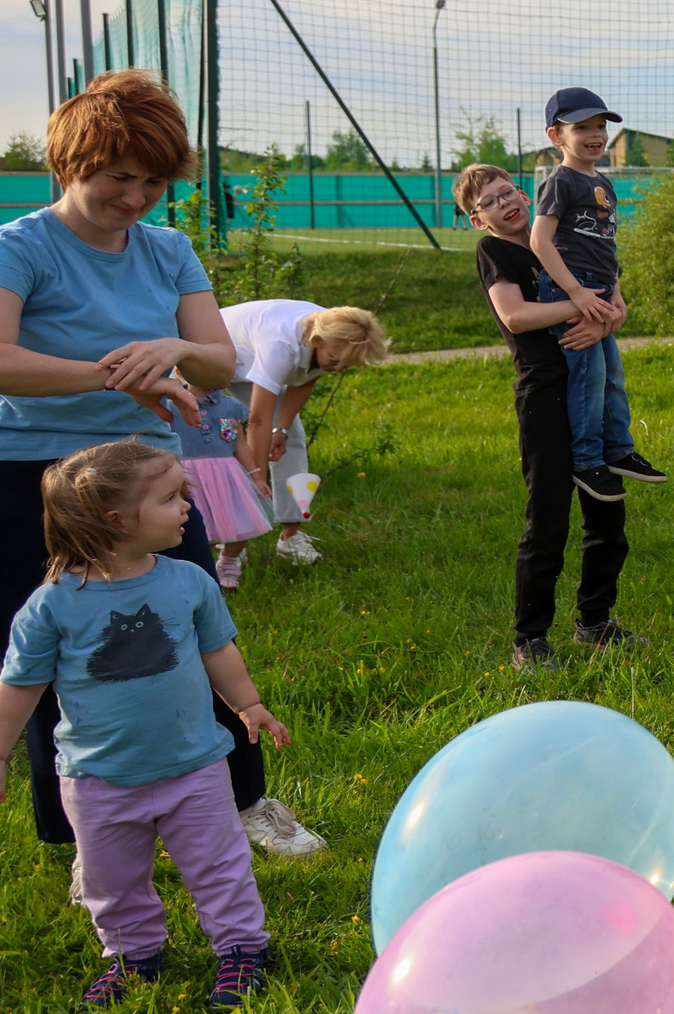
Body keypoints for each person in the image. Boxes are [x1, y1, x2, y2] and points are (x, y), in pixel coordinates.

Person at [0, 70, 316, 863]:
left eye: (152, 180)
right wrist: (115, 372)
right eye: (118, 176)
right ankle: (82, 835)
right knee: (51, 654)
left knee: (196, 632)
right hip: (37, 478)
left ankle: (244, 799)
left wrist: (175, 348)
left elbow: (214, 362)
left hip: (150, 476)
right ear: (72, 161)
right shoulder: (20, 246)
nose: (135, 196)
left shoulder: (169, 249)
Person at [0, 440, 290, 1013]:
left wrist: (248, 704)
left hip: (195, 766)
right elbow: (19, 689)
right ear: (117, 520)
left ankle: (241, 950)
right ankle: (134, 958)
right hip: (98, 779)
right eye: (170, 497)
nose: (188, 504)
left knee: (220, 866)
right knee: (113, 882)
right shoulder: (52, 606)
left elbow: (219, 651)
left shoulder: (187, 581)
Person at [457, 164, 640, 667]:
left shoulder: (556, 237)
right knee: (549, 520)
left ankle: (595, 621)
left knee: (608, 513)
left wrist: (605, 317)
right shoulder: (495, 251)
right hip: (546, 395)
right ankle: (529, 638)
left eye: (508, 191)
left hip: (593, 386)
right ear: (478, 221)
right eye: (489, 203)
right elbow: (515, 315)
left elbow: (611, 294)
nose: (506, 203)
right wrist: (582, 305)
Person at [528, 86, 663, 502]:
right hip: (572, 287)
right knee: (587, 379)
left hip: (600, 287)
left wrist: (615, 295)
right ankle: (586, 462)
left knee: (611, 379)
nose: (595, 135)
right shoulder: (560, 181)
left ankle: (619, 450)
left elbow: (607, 244)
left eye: (600, 126)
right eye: (582, 127)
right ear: (556, 136)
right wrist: (576, 293)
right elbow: (540, 242)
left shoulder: (603, 182)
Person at [215, 299, 391, 573]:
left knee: (293, 438)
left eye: (344, 366)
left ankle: (291, 535)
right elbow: (258, 421)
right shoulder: (281, 345)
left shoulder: (337, 340)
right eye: (335, 361)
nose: (337, 369)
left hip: (253, 362)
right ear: (317, 339)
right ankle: (232, 539)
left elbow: (306, 380)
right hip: (215, 354)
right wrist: (256, 476)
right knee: (210, 444)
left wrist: (281, 430)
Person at [173, 384, 271, 582]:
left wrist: (256, 476)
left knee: (241, 520)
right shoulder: (172, 405)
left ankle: (228, 562)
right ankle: (204, 570)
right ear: (181, 372)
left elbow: (239, 443)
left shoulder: (231, 406)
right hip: (190, 477)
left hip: (226, 475)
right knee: (200, 527)